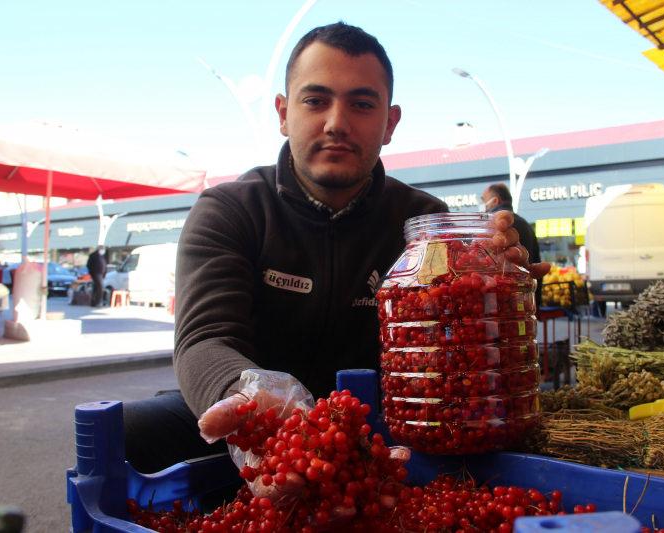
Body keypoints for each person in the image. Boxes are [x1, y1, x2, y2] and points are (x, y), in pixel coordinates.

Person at [123, 22, 549, 475]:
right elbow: (204, 339)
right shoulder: (231, 210)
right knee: (127, 432)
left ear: (390, 123)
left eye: (361, 104)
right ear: (283, 113)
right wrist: (249, 399)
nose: (336, 123)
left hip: (382, 425)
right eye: (315, 100)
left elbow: (457, 353)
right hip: (255, 422)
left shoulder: (423, 224)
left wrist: (495, 290)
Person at [482, 183, 543, 306]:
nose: (483, 205)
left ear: (495, 201)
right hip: (525, 299)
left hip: (501, 301)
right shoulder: (526, 225)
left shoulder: (490, 227)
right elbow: (536, 264)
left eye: (484, 200)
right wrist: (536, 301)